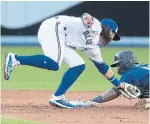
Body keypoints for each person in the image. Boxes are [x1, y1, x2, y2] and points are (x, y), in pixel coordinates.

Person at [4, 13, 133, 109]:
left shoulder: (94, 48)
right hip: (54, 27)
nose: (111, 39)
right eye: (111, 34)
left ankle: (58, 97)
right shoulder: (97, 27)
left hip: (60, 38)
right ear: (105, 28)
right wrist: (87, 18)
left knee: (78, 65)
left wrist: (119, 85)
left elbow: (102, 67)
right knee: (54, 64)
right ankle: (15, 59)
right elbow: (87, 17)